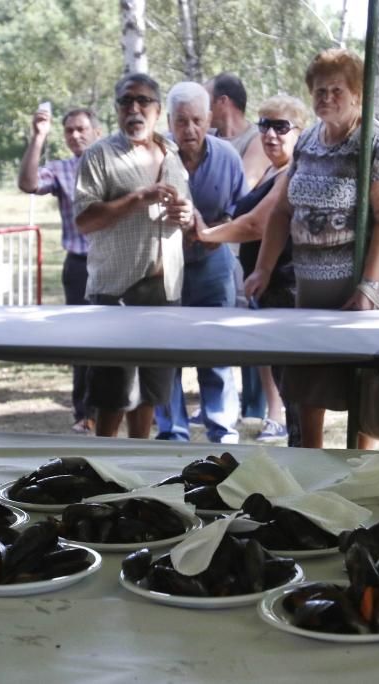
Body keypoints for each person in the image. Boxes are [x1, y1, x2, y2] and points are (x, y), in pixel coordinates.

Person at [243, 48, 379, 450]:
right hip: (312, 285)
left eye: (336, 90)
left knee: (364, 381)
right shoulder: (309, 140)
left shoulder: (374, 141)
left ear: (356, 95)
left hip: (363, 284)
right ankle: (309, 466)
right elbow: (281, 211)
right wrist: (263, 269)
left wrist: (368, 286)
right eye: (319, 90)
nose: (326, 98)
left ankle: (359, 470)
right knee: (308, 383)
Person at [74, 73, 194, 439]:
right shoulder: (100, 155)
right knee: (112, 393)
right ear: (117, 110)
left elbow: (186, 212)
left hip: (165, 291)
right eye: (127, 102)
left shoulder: (172, 154)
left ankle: (137, 464)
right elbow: (84, 220)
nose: (134, 109)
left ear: (158, 111)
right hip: (117, 290)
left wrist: (187, 217)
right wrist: (136, 199)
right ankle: (99, 469)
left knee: (152, 393)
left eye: (143, 102)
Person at [196, 95, 310, 445]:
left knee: (296, 392)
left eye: (281, 126)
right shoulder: (274, 172)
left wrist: (205, 233)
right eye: (265, 125)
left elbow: (256, 226)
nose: (271, 134)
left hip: (286, 288)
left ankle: (301, 458)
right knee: (286, 384)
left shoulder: (291, 173)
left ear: (299, 133)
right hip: (270, 290)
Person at [153, 81, 245, 444]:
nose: (189, 130)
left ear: (209, 119)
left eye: (196, 120)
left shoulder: (227, 157)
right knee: (166, 352)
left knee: (215, 349)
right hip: (164, 266)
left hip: (213, 262)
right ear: (169, 121)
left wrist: (209, 233)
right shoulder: (157, 154)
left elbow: (241, 213)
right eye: (181, 121)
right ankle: (171, 432)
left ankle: (222, 431)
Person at [18, 105, 102, 434]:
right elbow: (28, 183)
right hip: (80, 265)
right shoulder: (62, 169)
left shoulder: (115, 165)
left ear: (97, 132)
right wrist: (38, 136)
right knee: (82, 342)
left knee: (119, 337)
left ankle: (123, 407)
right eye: (69, 130)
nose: (76, 135)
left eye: (82, 129)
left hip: (118, 264)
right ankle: (85, 413)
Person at [205, 73, 270, 190]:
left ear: (223, 101)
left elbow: (241, 189)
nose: (201, 106)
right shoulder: (206, 136)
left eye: (205, 99)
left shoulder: (258, 139)